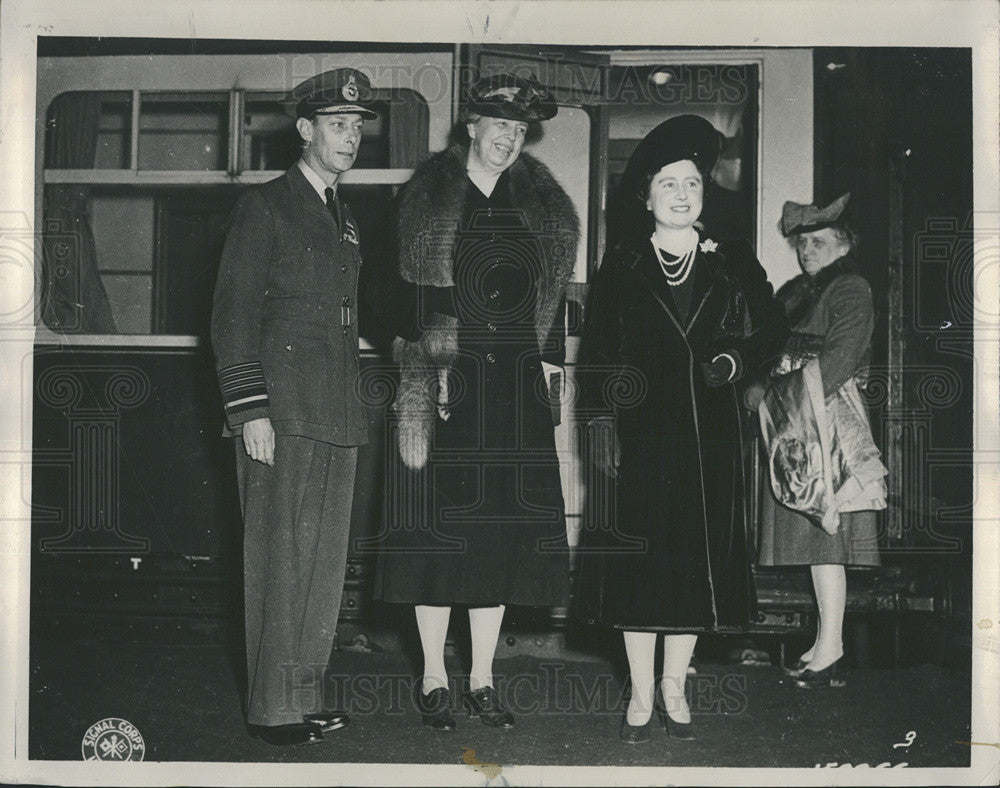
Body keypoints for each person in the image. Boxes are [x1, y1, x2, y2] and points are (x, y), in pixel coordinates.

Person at [370, 73, 579, 731]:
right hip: (440, 386)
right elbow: (380, 292)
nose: (507, 139)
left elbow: (551, 301)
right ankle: (434, 676)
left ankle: (482, 681)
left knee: (500, 534)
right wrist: (422, 353)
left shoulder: (541, 205)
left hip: (513, 387)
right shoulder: (424, 198)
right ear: (470, 127)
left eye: (518, 130)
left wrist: (551, 363)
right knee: (437, 534)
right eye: (497, 126)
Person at [572, 115, 788, 743]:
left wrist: (737, 361)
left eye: (691, 182)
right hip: (638, 439)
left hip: (707, 438)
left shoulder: (734, 261)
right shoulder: (624, 264)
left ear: (703, 194)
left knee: (693, 567)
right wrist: (600, 425)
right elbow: (600, 355)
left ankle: (676, 685)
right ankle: (640, 693)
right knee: (641, 568)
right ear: (647, 197)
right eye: (668, 184)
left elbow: (770, 329)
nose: (682, 193)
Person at [210, 68, 377, 746]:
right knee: (279, 561)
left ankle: (304, 695)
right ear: (305, 131)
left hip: (335, 413)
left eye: (359, 125)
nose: (352, 136)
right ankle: (272, 709)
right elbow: (232, 316)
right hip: (280, 413)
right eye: (339, 124)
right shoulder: (267, 206)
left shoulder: (344, 216)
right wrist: (250, 409)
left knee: (322, 565)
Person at [748, 193, 886, 689]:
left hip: (825, 420)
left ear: (843, 243)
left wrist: (781, 402)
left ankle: (833, 645)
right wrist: (761, 388)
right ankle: (827, 640)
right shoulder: (795, 292)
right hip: (795, 418)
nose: (807, 249)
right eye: (802, 242)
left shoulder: (850, 288)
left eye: (818, 241)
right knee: (813, 536)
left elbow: (840, 359)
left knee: (828, 532)